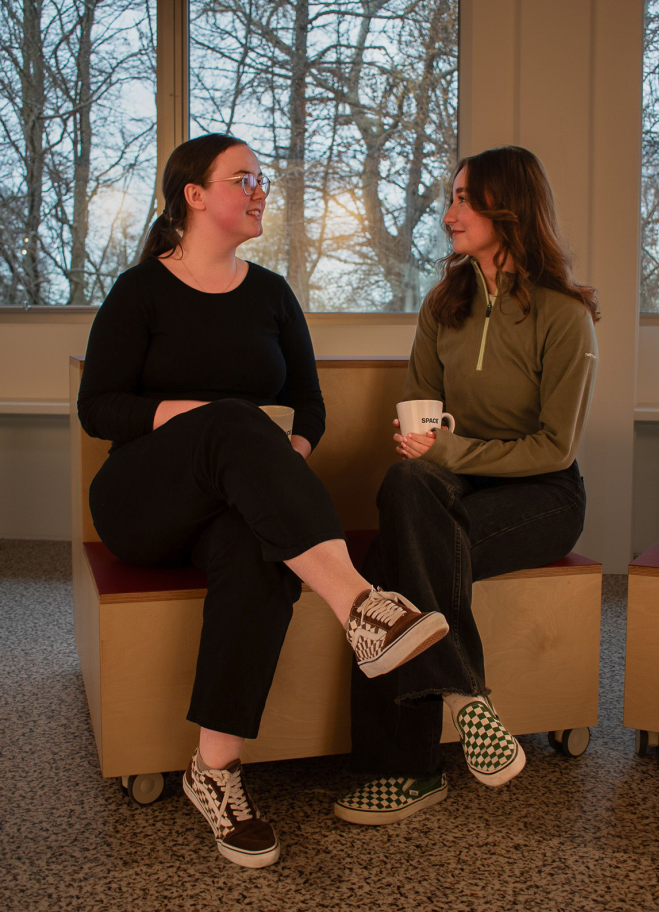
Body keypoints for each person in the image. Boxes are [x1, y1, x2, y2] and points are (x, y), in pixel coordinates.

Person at [78, 133, 449, 868]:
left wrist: (282, 461)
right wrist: (200, 418)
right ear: (194, 195)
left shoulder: (273, 294)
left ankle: (213, 772)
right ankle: (361, 607)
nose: (259, 191)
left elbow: (308, 410)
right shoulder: (140, 290)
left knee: (262, 553)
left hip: (236, 505)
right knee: (232, 418)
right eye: (243, 178)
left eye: (262, 180)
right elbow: (99, 409)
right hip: (144, 501)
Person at [334, 145, 599, 826]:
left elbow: (553, 446)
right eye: (450, 198)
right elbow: (420, 400)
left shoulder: (563, 316)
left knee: (389, 568)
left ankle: (410, 769)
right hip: (452, 489)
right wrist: (424, 449)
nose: (448, 213)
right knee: (405, 485)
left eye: (463, 199)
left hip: (543, 496)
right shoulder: (441, 306)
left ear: (507, 207)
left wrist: (445, 448)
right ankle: (471, 702)